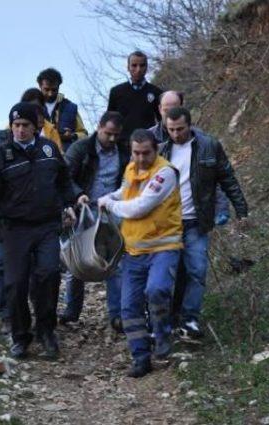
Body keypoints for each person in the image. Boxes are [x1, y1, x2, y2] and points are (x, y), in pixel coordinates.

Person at [0, 102, 81, 360]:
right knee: (15, 282)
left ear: (36, 127)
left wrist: (70, 204)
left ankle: (46, 332)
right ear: (11, 127)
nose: (20, 130)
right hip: (14, 229)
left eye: (26, 126)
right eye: (16, 126)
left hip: (46, 227)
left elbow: (64, 181)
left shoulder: (49, 149)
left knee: (49, 275)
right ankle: (21, 336)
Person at [98, 129, 183, 378]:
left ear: (155, 150)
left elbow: (140, 207)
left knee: (156, 291)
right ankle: (140, 356)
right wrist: (103, 198)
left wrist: (111, 205)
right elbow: (124, 193)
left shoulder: (165, 173)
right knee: (129, 308)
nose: (141, 158)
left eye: (146, 153)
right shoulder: (130, 168)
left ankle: (161, 333)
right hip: (134, 249)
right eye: (136, 153)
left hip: (163, 247)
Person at [160, 107, 248, 338]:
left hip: (197, 222)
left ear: (189, 125)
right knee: (171, 273)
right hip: (168, 224)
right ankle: (168, 319)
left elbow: (227, 177)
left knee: (197, 271)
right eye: (171, 130)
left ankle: (190, 320)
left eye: (180, 129)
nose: (176, 134)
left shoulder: (209, 146)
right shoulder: (160, 150)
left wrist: (240, 207)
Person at [60, 111, 129, 332]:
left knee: (114, 262)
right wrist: (77, 195)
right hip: (84, 210)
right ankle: (72, 311)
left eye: (116, 135)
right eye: (108, 133)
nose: (111, 139)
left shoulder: (124, 151)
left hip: (112, 212)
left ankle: (117, 315)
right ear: (98, 127)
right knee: (76, 261)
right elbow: (65, 176)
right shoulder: (81, 149)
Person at [150, 91, 230, 225]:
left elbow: (212, 176)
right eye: (166, 110)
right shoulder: (148, 139)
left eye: (175, 108)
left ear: (183, 108)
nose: (170, 113)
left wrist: (221, 208)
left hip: (194, 214)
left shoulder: (199, 137)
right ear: (159, 109)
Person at [107, 51, 163, 143]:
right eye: (134, 65)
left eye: (142, 65)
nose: (138, 69)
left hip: (147, 144)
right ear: (128, 67)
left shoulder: (156, 92)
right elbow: (109, 120)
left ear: (146, 67)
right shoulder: (116, 92)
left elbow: (162, 120)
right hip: (122, 145)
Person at [37, 68, 88, 151]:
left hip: (65, 157)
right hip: (39, 156)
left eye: (54, 90)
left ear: (59, 86)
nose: (50, 94)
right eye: (46, 89)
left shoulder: (70, 107)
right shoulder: (32, 107)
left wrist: (72, 136)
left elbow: (84, 134)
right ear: (40, 86)